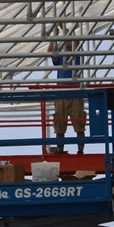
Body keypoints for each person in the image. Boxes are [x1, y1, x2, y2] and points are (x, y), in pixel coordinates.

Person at [47, 26, 86, 154]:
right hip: (62, 91)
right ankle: (60, 149)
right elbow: (50, 52)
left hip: (74, 91)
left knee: (79, 121)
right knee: (59, 123)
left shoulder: (76, 54)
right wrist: (54, 36)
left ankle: (80, 150)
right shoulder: (62, 57)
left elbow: (75, 42)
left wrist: (64, 29)